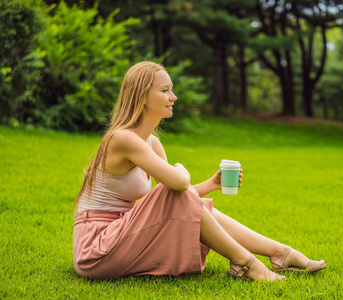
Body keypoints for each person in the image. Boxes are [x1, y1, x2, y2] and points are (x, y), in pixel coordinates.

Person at [72, 61, 327, 282]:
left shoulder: (152, 143)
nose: (174, 97)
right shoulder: (122, 139)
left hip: (122, 231)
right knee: (182, 192)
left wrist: (211, 184)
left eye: (172, 90)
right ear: (142, 97)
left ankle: (280, 252)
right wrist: (181, 169)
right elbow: (179, 184)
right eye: (165, 90)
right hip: (97, 246)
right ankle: (247, 263)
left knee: (195, 203)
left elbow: (176, 199)